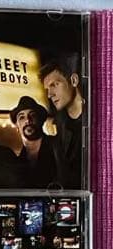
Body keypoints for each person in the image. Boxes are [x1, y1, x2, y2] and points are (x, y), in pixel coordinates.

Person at [40, 56, 85, 189]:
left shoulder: (99, 119)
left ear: (74, 80)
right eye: (47, 89)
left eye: (54, 85)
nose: (50, 94)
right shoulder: (57, 125)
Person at [10, 96, 58, 189]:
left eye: (33, 115)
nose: (28, 120)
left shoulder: (56, 145)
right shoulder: (18, 160)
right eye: (21, 117)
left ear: (41, 121)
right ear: (17, 126)